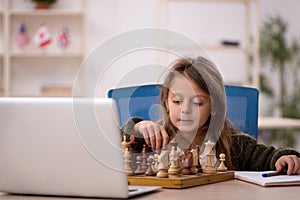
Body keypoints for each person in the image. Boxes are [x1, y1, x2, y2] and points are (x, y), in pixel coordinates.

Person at [121, 56, 300, 174]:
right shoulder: (153, 139)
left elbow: (271, 156)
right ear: (166, 103)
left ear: (215, 107)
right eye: (177, 101)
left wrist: (284, 158)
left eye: (197, 102)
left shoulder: (233, 145)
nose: (185, 109)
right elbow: (115, 144)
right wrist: (137, 127)